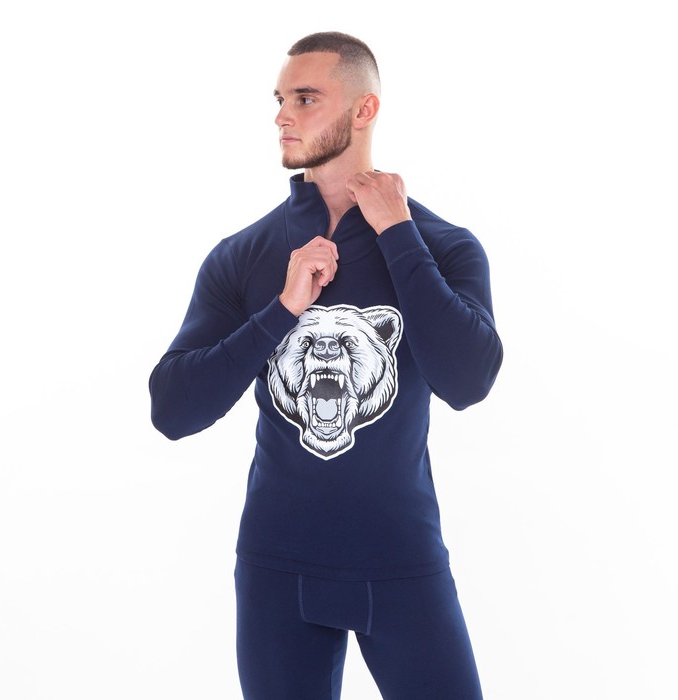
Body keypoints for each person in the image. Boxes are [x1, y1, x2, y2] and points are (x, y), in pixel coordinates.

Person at [149, 31, 503, 700]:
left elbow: (467, 381)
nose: (283, 115)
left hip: (401, 561)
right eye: (280, 99)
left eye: (306, 99)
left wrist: (398, 236)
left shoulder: (443, 246)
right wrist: (282, 309)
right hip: (276, 567)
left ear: (365, 110)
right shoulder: (245, 255)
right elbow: (172, 410)